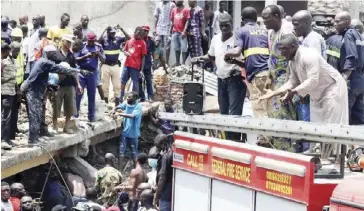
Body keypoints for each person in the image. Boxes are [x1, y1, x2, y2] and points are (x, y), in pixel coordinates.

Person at [259, 34, 349, 159]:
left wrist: (294, 92)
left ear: (293, 46)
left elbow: (313, 80)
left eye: (284, 49)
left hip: (332, 88)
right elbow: (292, 81)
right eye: (280, 49)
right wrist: (274, 93)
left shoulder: (308, 56)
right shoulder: (292, 61)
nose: (281, 52)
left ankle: (337, 159)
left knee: (332, 126)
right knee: (319, 127)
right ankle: (325, 157)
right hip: (317, 93)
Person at [192, 13, 246, 141]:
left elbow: (244, 60)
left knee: (234, 114)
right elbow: (210, 56)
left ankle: (235, 142)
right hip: (221, 80)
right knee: (223, 112)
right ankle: (227, 141)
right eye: (221, 25)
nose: (224, 28)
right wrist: (199, 58)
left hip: (235, 79)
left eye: (226, 25)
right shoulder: (215, 39)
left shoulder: (237, 39)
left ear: (231, 25)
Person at [20, 45, 89, 144]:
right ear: (47, 53)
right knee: (34, 115)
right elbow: (61, 69)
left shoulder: (43, 61)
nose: (55, 55)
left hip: (36, 91)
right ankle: (32, 140)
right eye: (53, 53)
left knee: (38, 114)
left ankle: (37, 136)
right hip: (32, 90)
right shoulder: (44, 62)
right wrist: (79, 71)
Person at [261, 5, 297, 151]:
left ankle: (287, 147)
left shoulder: (287, 31)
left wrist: (289, 83)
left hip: (286, 77)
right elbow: (272, 55)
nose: (264, 22)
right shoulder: (271, 32)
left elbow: (291, 58)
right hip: (276, 76)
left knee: (285, 113)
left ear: (277, 16)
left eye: (267, 19)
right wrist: (270, 75)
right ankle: (278, 144)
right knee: (275, 113)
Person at [224, 6, 270, 119]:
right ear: (256, 18)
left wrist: (226, 54)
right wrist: (237, 62)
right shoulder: (265, 31)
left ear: (242, 19)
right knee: (267, 107)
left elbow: (237, 51)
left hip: (257, 76)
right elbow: (257, 58)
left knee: (259, 108)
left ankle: (264, 136)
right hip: (268, 73)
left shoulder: (241, 31)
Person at [334, 11, 364, 125]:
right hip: (360, 81)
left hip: (351, 80)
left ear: (346, 22)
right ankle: (359, 141)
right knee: (359, 117)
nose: (334, 24)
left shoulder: (348, 34)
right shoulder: (358, 34)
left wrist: (344, 79)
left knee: (344, 116)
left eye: (337, 21)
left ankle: (344, 142)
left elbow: (352, 57)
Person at [52, 34, 81, 134]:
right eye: (68, 42)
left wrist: (78, 84)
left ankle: (67, 126)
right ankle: (54, 125)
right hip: (59, 84)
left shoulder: (71, 55)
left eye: (70, 43)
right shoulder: (56, 54)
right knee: (56, 106)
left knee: (70, 106)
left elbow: (74, 71)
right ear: (63, 41)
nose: (69, 44)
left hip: (70, 84)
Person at [75, 31, 105, 122]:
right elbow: (75, 59)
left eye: (93, 41)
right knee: (78, 94)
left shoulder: (98, 47)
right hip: (82, 73)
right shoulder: (82, 46)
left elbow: (103, 60)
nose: (91, 42)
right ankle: (75, 116)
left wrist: (98, 54)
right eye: (90, 41)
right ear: (87, 39)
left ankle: (91, 117)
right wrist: (85, 56)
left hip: (92, 74)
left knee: (91, 95)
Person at [99, 26, 129, 106]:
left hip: (115, 65)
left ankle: (117, 104)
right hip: (105, 65)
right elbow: (98, 41)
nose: (113, 34)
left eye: (114, 32)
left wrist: (122, 29)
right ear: (108, 33)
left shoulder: (118, 39)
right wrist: (104, 29)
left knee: (117, 85)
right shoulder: (103, 40)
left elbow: (128, 38)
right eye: (111, 32)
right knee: (105, 86)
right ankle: (105, 103)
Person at [114, 91, 143, 167]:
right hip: (125, 133)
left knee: (134, 152)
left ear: (135, 98)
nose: (127, 98)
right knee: (121, 152)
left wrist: (120, 114)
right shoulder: (127, 103)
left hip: (133, 134)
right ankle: (120, 170)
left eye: (130, 97)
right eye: (127, 97)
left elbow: (132, 116)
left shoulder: (138, 106)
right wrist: (115, 109)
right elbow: (119, 106)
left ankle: (136, 169)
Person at [120, 27, 147, 101]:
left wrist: (141, 70)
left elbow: (143, 57)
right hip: (127, 65)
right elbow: (124, 50)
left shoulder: (143, 43)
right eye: (137, 33)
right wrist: (126, 53)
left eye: (140, 34)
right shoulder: (129, 41)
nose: (139, 35)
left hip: (135, 67)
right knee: (123, 81)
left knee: (135, 83)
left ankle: (135, 99)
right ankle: (121, 97)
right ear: (135, 32)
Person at [1, 42, 20, 149]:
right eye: (15, 50)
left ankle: (7, 139)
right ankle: (3, 140)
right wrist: (9, 78)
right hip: (5, 92)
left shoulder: (12, 61)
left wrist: (17, 90)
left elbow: (14, 78)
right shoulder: (3, 61)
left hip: (11, 92)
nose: (17, 53)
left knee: (9, 117)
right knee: (4, 117)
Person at [153, 134, 173, 211]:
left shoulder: (166, 157)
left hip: (166, 195)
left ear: (164, 144)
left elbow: (162, 179)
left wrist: (156, 197)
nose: (159, 150)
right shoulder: (174, 153)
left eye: (159, 147)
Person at [170, 0, 190, 66]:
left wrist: (184, 31)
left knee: (184, 48)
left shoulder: (186, 10)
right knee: (176, 48)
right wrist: (171, 31)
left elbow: (187, 21)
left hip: (182, 32)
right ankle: (177, 62)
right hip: (175, 32)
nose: (176, 1)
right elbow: (172, 21)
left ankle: (183, 63)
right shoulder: (173, 10)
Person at [139, 26, 155, 102]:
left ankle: (150, 96)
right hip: (139, 63)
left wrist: (154, 61)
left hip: (147, 63)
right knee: (139, 81)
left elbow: (153, 53)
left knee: (148, 80)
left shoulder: (151, 41)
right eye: (144, 31)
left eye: (147, 31)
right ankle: (142, 97)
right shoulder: (138, 39)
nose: (145, 32)